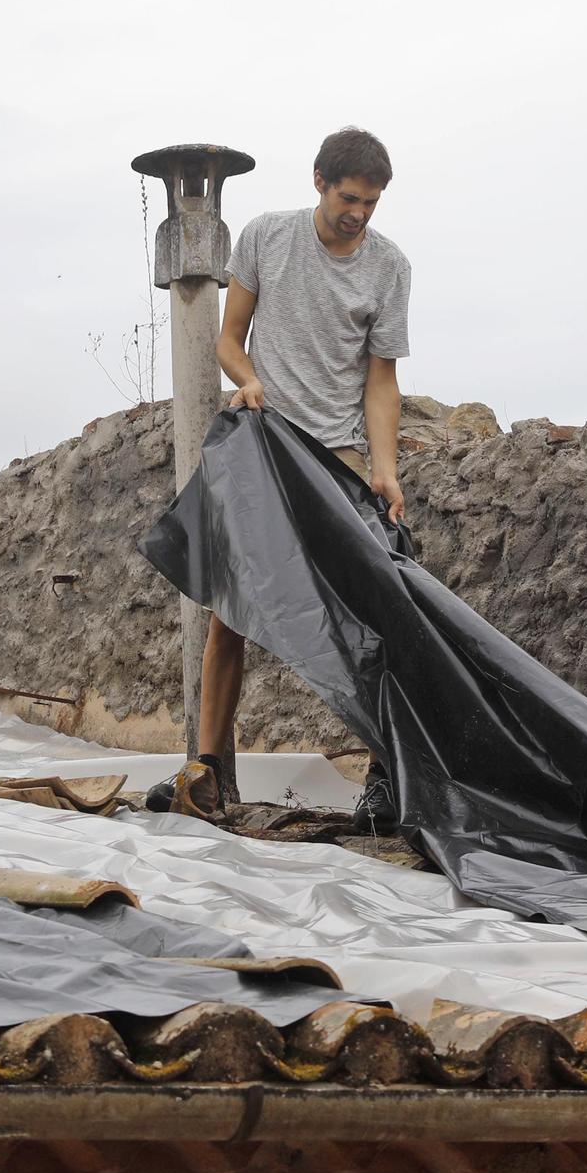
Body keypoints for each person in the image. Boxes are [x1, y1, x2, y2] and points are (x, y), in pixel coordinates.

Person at [147, 126, 411, 820]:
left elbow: (382, 382)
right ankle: (207, 769)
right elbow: (230, 339)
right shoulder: (266, 237)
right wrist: (249, 380)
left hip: (337, 455)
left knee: (373, 610)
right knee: (230, 607)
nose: (359, 212)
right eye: (350, 197)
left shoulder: (390, 268)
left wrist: (383, 470)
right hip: (267, 447)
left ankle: (384, 777)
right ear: (320, 181)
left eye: (372, 203)